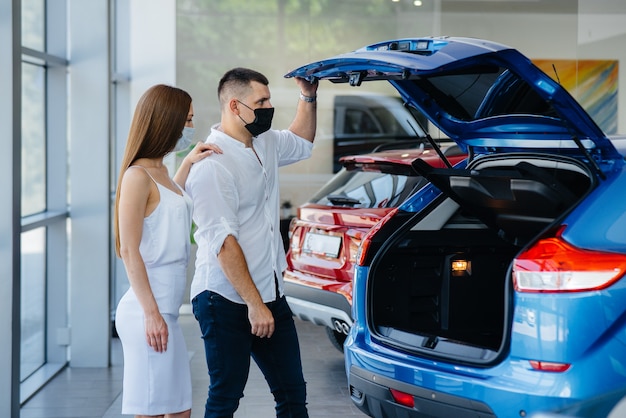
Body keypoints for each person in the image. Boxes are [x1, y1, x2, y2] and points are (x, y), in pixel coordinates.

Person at [185, 67, 318, 418]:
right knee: (226, 397)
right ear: (234, 105)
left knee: (292, 395)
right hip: (225, 299)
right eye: (261, 101)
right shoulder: (213, 165)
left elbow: (302, 141)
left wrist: (308, 95)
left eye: (269, 99)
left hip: (269, 293)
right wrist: (254, 305)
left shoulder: (266, 142)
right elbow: (222, 243)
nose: (269, 107)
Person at [114, 84, 222, 418]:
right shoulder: (137, 176)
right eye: (186, 120)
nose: (190, 128)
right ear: (166, 122)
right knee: (154, 411)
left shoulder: (161, 171)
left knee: (177, 410)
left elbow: (169, 204)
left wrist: (188, 163)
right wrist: (151, 314)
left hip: (167, 313)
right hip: (148, 312)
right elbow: (129, 251)